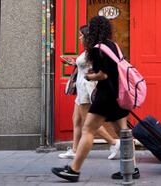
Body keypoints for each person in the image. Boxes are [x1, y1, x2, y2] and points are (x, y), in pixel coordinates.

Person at [52, 16, 139, 182]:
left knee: (88, 130)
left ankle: (73, 169)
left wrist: (90, 77)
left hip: (105, 96)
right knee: (124, 133)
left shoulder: (97, 49)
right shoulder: (113, 45)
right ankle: (132, 168)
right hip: (118, 94)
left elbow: (103, 74)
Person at [59, 25, 120, 160]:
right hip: (80, 90)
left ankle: (114, 142)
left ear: (87, 36)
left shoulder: (93, 51)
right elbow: (85, 65)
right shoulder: (87, 51)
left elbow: (96, 69)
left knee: (88, 122)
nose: (79, 37)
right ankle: (75, 149)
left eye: (81, 35)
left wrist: (88, 73)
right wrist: (74, 63)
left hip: (86, 89)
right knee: (76, 120)